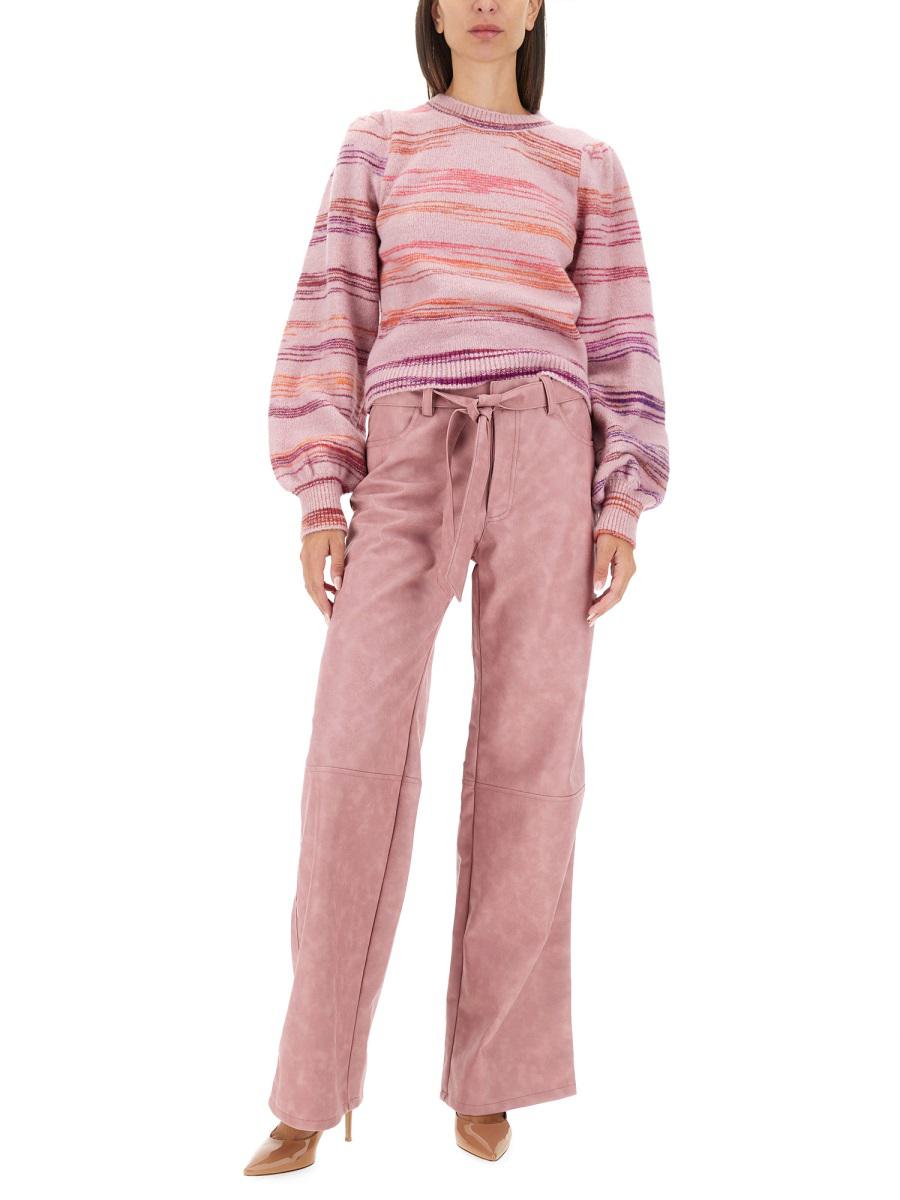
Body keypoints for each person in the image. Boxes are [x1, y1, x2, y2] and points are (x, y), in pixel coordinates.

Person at [244, 0, 669, 1174]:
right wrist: (319, 495)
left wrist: (621, 504)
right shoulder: (380, 142)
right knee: (352, 752)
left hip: (549, 443)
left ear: (535, 10)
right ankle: (313, 1084)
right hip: (408, 441)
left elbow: (623, 337)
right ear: (431, 8)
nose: (485, 0)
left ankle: (494, 1072)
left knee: (533, 756)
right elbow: (332, 309)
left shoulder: (586, 162)